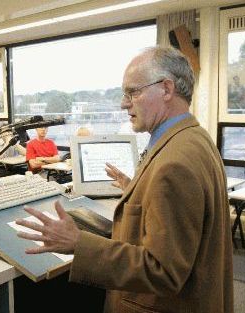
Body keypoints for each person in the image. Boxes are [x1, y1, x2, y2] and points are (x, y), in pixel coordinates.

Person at [16, 46, 233, 313]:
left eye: (133, 92)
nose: (123, 103)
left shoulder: (174, 164)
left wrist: (79, 244)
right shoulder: (193, 137)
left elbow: (163, 270)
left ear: (166, 89)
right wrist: (137, 189)